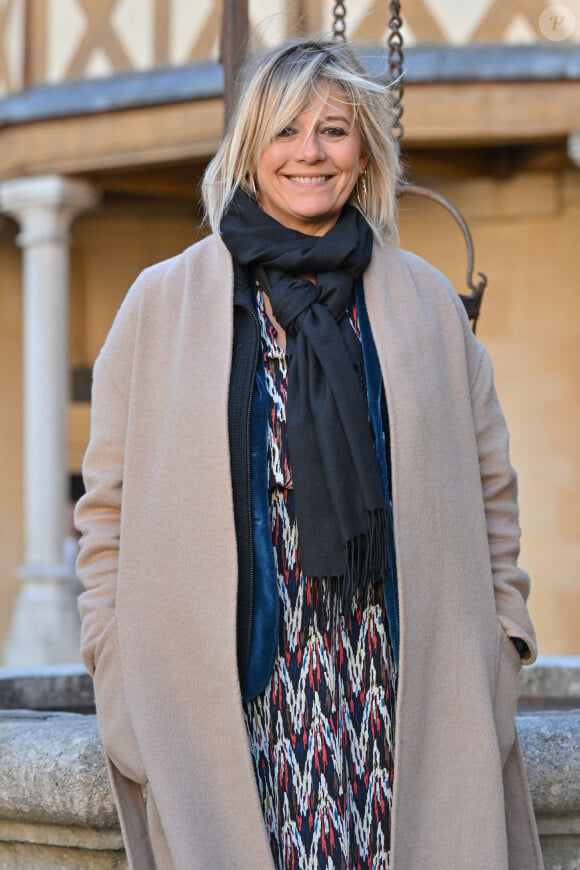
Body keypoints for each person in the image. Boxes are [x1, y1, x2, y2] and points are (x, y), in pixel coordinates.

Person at [75, 38, 544, 870]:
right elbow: (105, 512)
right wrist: (114, 670)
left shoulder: (427, 303)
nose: (310, 153)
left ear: (364, 150)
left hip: (397, 691)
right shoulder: (162, 304)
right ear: (250, 147)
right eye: (287, 129)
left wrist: (500, 648)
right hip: (233, 689)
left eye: (333, 130)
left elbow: (492, 491)